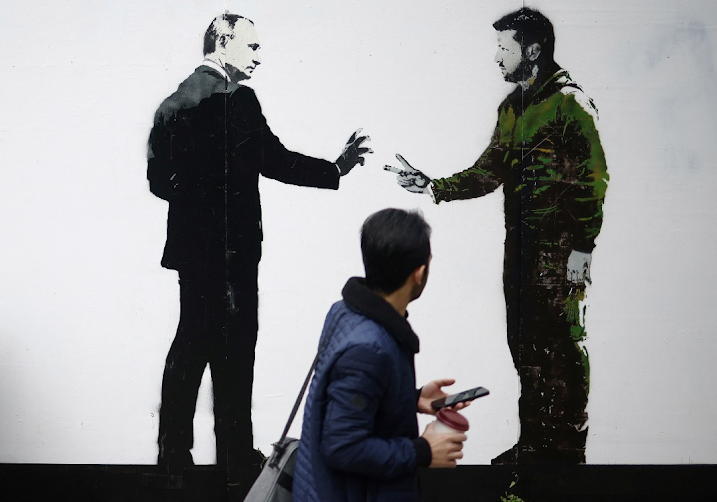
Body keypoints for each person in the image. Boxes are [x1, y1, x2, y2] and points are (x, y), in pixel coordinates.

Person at [146, 13, 371, 486]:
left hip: (194, 251)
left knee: (191, 343)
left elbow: (157, 181)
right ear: (222, 44)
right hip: (235, 252)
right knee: (235, 350)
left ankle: (173, 457)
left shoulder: (171, 105)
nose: (258, 55)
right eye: (251, 46)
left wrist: (196, 202)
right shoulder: (239, 101)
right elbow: (275, 159)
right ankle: (233, 456)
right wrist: (336, 169)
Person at [386, 8, 608, 464]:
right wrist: (433, 186)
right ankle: (534, 447)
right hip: (521, 251)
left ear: (532, 50)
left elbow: (594, 181)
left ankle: (566, 454)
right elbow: (489, 172)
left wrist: (583, 248)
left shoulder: (571, 104)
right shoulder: (511, 108)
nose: (496, 59)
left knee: (562, 349)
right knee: (525, 349)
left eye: (503, 48)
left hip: (561, 253)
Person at [293, 208, 467, 502]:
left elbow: (350, 400)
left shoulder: (346, 311)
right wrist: (423, 450)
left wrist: (412, 399)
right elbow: (342, 446)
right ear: (419, 273)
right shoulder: (369, 348)